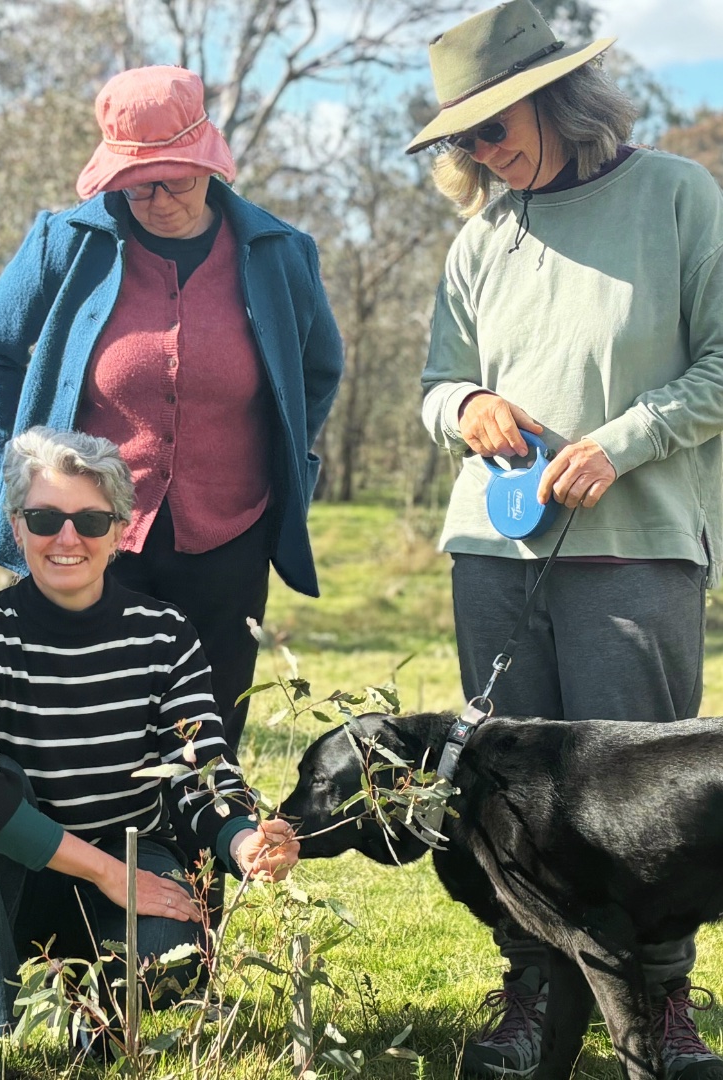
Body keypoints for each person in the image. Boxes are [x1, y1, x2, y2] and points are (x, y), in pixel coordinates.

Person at [409, 2, 723, 1078]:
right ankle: (534, 995)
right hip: (493, 559)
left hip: (637, 547)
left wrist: (625, 443)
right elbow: (433, 385)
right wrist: (466, 408)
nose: (481, 153)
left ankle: (664, 1004)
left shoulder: (681, 197)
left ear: (560, 99)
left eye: (495, 127)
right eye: (463, 139)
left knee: (645, 800)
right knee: (508, 796)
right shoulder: (478, 241)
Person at [0, 65, 343, 752]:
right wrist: (10, 474)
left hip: (230, 539)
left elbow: (317, 369)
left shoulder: (279, 254)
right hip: (92, 538)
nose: (159, 197)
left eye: (177, 178)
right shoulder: (66, 243)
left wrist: (285, 465)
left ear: (209, 163)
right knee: (90, 727)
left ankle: (199, 863)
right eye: (138, 185)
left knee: (205, 733)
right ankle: (95, 864)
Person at [0, 427, 298, 1080]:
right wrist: (101, 871)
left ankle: (92, 1004)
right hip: (17, 879)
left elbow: (201, 768)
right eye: (44, 518)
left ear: (121, 528)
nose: (67, 539)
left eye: (90, 520)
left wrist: (244, 841)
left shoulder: (166, 635)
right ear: (16, 525)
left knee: (172, 954)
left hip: (130, 857)